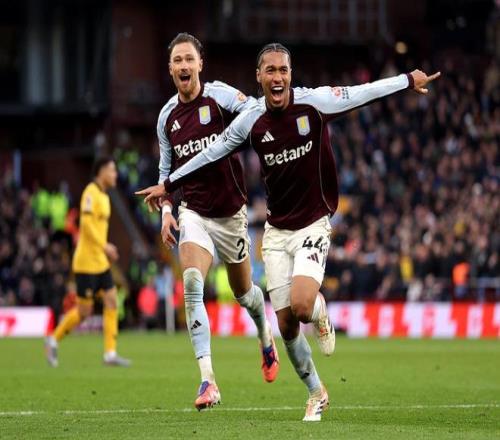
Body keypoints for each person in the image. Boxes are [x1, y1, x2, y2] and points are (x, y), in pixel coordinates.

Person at [136, 42, 441, 421]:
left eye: (283, 70)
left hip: (303, 221)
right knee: (280, 322)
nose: (277, 77)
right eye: (270, 71)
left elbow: (361, 93)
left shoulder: (311, 104)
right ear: (259, 78)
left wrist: (406, 80)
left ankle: (318, 311)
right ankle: (311, 391)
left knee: (298, 305)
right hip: (269, 229)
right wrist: (169, 188)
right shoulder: (243, 120)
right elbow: (211, 153)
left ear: (290, 75)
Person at [142, 33, 279, 411]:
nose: (184, 66)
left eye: (190, 59)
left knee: (245, 294)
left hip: (231, 213)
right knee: (191, 283)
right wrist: (167, 212)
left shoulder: (219, 96)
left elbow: (255, 109)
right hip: (194, 212)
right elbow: (165, 173)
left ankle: (265, 334)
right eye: (178, 61)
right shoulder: (167, 117)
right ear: (170, 69)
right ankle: (208, 380)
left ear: (200, 64)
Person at [45, 157, 130, 367]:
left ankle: (110, 353)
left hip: (100, 262)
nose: (115, 174)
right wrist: (105, 246)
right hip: (85, 263)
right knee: (84, 312)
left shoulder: (105, 197)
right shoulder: (90, 192)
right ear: (101, 171)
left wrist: (104, 249)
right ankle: (53, 339)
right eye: (112, 170)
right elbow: (86, 225)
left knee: (112, 300)